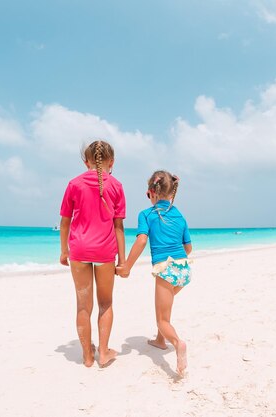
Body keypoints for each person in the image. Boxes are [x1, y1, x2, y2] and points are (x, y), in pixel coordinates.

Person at [116, 170, 192, 376]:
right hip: (184, 271)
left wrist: (127, 267)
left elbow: (141, 240)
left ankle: (177, 343)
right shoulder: (179, 215)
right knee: (164, 308)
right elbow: (188, 247)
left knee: (162, 319)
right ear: (172, 193)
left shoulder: (146, 215)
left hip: (165, 269)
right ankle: (160, 340)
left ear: (152, 192)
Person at [59, 140, 126, 368]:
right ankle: (104, 352)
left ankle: (87, 356)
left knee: (83, 306)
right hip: (105, 251)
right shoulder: (116, 185)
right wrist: (123, 260)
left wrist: (63, 251)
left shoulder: (74, 184)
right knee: (105, 304)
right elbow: (119, 226)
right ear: (112, 162)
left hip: (78, 250)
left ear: (85, 161)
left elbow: (65, 222)